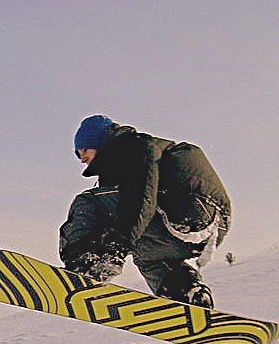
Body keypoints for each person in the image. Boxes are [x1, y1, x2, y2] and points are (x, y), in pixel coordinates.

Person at [59, 115, 231, 308]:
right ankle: (188, 294)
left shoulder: (131, 147)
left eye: (82, 150)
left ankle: (83, 266)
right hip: (210, 228)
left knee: (88, 202)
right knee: (148, 258)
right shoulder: (135, 154)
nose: (81, 158)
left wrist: (118, 245)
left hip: (187, 207)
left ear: (97, 141)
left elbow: (141, 195)